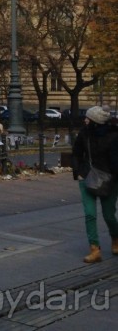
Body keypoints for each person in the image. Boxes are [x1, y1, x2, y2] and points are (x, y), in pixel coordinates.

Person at [71, 105, 118, 264]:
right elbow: (76, 152)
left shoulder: (114, 135)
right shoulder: (85, 134)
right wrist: (78, 171)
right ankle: (94, 249)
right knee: (90, 214)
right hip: (87, 177)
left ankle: (115, 238)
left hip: (109, 180)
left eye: (88, 118)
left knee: (109, 215)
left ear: (96, 122)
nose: (85, 120)